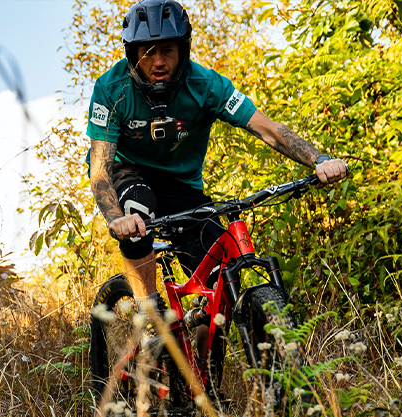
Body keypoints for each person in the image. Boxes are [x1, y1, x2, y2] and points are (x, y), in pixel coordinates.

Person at [87, 0, 349, 304]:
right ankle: (150, 314)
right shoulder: (111, 88)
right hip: (127, 171)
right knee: (137, 207)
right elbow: (99, 170)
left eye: (167, 50)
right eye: (148, 51)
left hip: (181, 185)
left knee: (218, 281)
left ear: (182, 51)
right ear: (133, 55)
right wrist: (115, 218)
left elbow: (267, 128)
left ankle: (207, 350)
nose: (158, 61)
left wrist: (320, 160)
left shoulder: (206, 85)